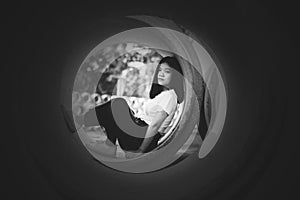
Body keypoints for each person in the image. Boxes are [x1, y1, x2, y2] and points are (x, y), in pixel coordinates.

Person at [84, 56, 184, 156]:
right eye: (160, 70)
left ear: (175, 75)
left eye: (167, 71)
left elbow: (155, 126)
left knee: (119, 104)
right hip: (138, 133)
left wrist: (141, 150)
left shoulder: (170, 96)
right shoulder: (164, 94)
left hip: (140, 138)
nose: (161, 74)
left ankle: (82, 120)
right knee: (115, 109)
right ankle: (109, 146)